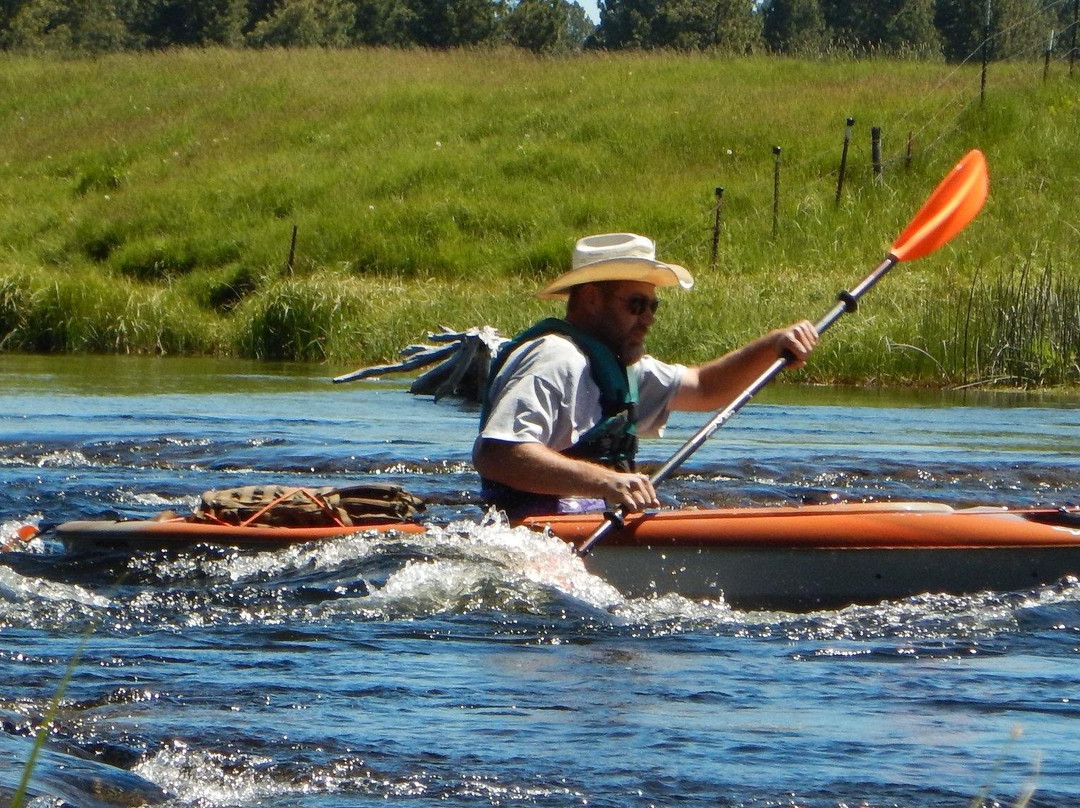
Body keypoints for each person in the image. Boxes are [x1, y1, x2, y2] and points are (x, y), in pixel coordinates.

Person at [472, 232, 818, 520]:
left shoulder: (625, 369)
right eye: (636, 305)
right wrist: (607, 482)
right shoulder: (553, 358)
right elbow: (498, 454)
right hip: (533, 536)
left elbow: (705, 388)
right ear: (592, 300)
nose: (649, 319)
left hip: (592, 524)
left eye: (654, 306)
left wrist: (772, 347)